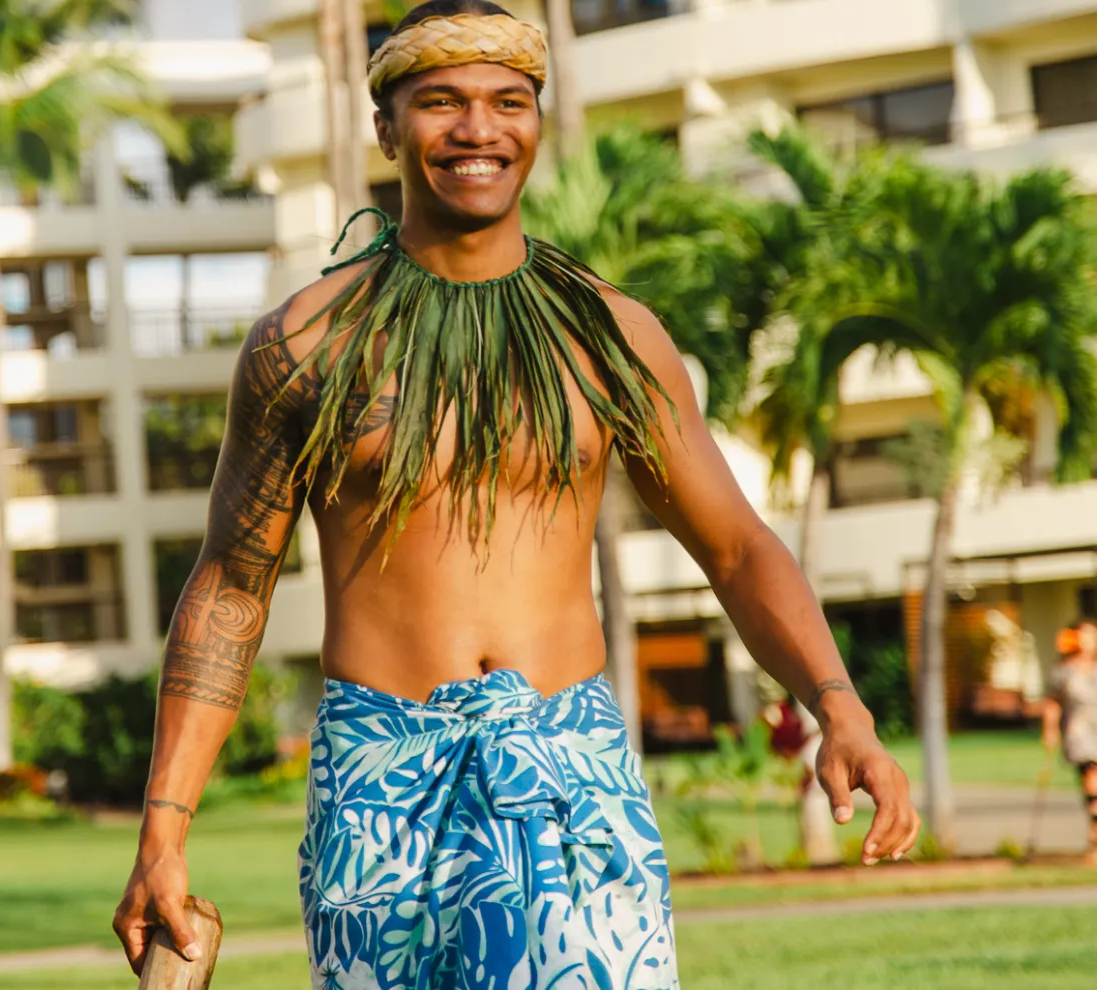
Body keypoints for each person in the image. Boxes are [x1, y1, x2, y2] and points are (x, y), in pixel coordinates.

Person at [112, 2, 921, 986]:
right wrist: (164, 830)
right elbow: (234, 585)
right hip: (377, 774)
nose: (477, 129)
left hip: (566, 759)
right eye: (440, 102)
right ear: (386, 127)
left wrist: (843, 710)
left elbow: (738, 547)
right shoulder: (305, 346)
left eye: (508, 101)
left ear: (536, 119)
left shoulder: (608, 334)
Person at [1043, 618, 1097, 866]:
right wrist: (1050, 730)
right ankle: (1095, 838)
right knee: (1092, 781)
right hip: (1080, 733)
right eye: (1084, 635)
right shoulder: (1063, 669)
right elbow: (1052, 703)